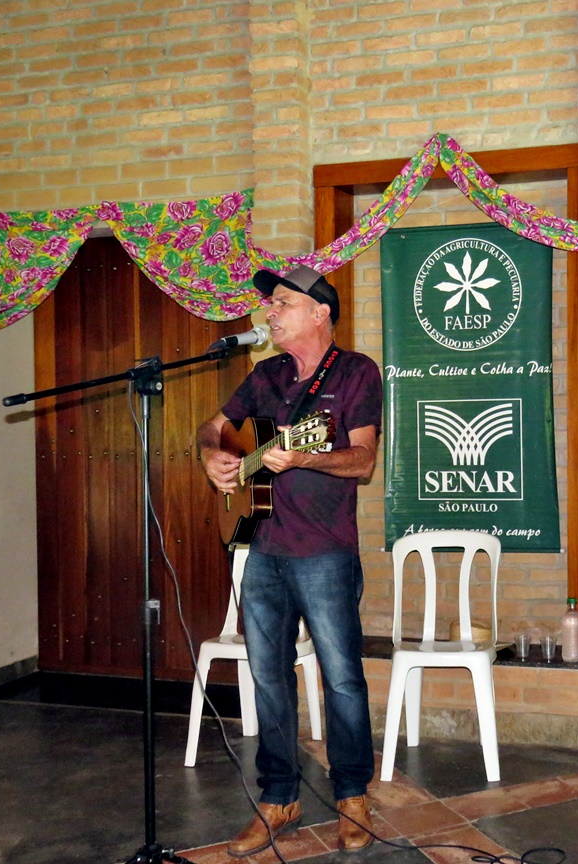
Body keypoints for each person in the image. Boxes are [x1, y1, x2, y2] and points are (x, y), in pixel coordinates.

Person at [197, 264, 382, 857]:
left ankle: (352, 796)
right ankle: (279, 798)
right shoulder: (265, 374)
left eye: (282, 303)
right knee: (267, 677)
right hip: (262, 548)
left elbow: (362, 460)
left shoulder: (355, 372)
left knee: (342, 678)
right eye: (270, 304)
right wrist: (214, 458)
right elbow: (213, 428)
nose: (270, 313)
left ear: (320, 312)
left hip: (324, 552)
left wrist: (303, 458)